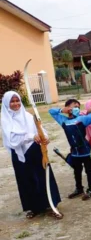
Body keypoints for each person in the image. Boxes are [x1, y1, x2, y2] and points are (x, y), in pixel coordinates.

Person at [1, 91, 62, 219]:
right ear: (7, 103)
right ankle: (34, 208)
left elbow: (40, 129)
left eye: (17, 100)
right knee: (26, 180)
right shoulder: (5, 119)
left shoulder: (28, 115)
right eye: (12, 101)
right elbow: (12, 140)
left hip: (35, 151)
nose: (16, 103)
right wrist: (31, 137)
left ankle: (51, 204)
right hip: (19, 155)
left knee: (43, 177)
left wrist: (45, 137)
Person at [49, 99, 91, 200]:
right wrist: (62, 110)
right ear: (68, 108)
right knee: (77, 171)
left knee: (89, 171)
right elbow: (51, 111)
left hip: (86, 151)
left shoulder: (82, 119)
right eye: (74, 106)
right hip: (75, 152)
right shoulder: (63, 120)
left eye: (78, 107)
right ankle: (79, 189)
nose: (77, 108)